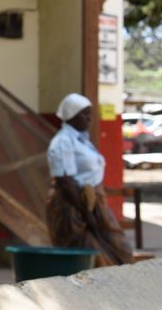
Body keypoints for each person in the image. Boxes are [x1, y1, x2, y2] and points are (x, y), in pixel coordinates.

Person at [45, 93, 133, 265]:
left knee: (118, 246)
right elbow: (64, 181)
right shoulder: (63, 142)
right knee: (82, 253)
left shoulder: (82, 140)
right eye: (84, 114)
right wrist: (85, 213)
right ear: (71, 116)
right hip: (72, 204)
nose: (89, 119)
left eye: (90, 114)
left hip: (92, 201)